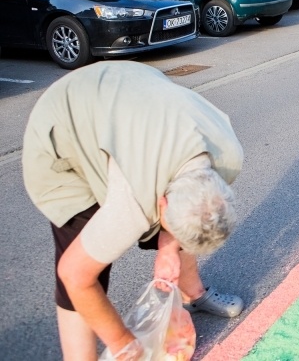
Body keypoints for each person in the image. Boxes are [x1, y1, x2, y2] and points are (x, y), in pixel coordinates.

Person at [22, 62, 244, 360]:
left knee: (195, 220)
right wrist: (127, 345)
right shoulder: (133, 201)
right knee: (82, 271)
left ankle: (193, 293)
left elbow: (191, 211)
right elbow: (74, 276)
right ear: (159, 205)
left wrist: (169, 247)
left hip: (131, 92)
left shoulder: (226, 157)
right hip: (64, 126)